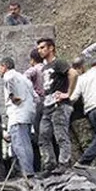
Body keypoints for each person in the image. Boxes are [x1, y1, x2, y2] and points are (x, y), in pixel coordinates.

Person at [37, 37, 76, 172]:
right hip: (48, 105)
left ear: (51, 48)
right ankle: (49, 165)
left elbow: (73, 73)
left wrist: (68, 93)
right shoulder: (44, 67)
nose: (40, 51)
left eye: (42, 47)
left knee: (61, 135)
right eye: (39, 48)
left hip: (60, 104)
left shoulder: (58, 63)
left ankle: (64, 163)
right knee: (43, 136)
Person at [0, 57, 37, 177]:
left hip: (17, 114)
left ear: (4, 66)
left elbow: (9, 81)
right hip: (27, 113)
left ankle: (27, 172)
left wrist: (12, 95)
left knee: (21, 144)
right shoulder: (24, 78)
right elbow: (35, 96)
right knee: (22, 143)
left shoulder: (9, 75)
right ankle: (20, 171)